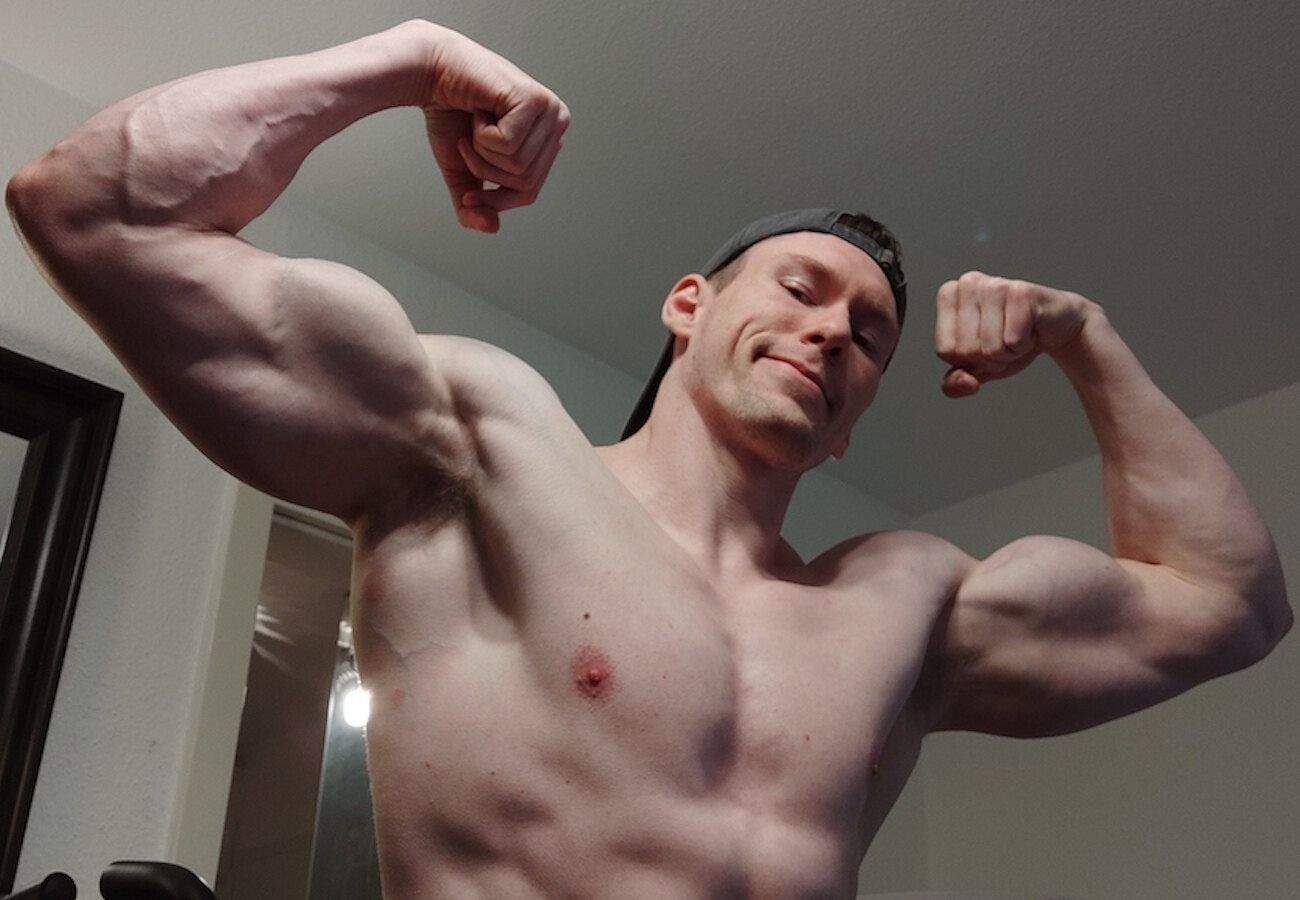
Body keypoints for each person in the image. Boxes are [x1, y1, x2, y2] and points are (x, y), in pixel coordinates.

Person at [5, 18, 1291, 900]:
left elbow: (1230, 604)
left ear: (851, 423)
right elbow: (96, 208)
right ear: (687, 305)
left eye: (868, 336)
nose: (830, 332)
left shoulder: (902, 608)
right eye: (800, 288)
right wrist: (407, 58)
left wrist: (1084, 340)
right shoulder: (480, 451)